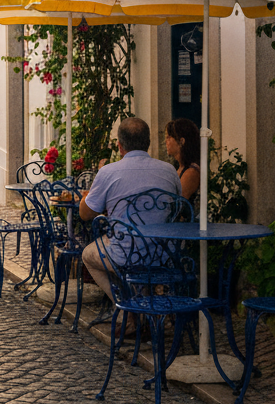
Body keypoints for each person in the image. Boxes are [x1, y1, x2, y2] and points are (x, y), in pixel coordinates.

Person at [79, 116, 182, 305]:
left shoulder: (109, 172)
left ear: (119, 146)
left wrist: (88, 194)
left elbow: (85, 214)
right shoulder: (169, 171)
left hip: (126, 255)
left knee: (88, 254)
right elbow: (178, 206)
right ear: (148, 144)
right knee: (128, 243)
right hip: (163, 254)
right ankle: (141, 305)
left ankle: (128, 308)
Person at [164, 117, 201, 200]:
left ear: (181, 141)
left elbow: (177, 201)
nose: (166, 141)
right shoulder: (179, 167)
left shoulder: (191, 172)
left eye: (169, 137)